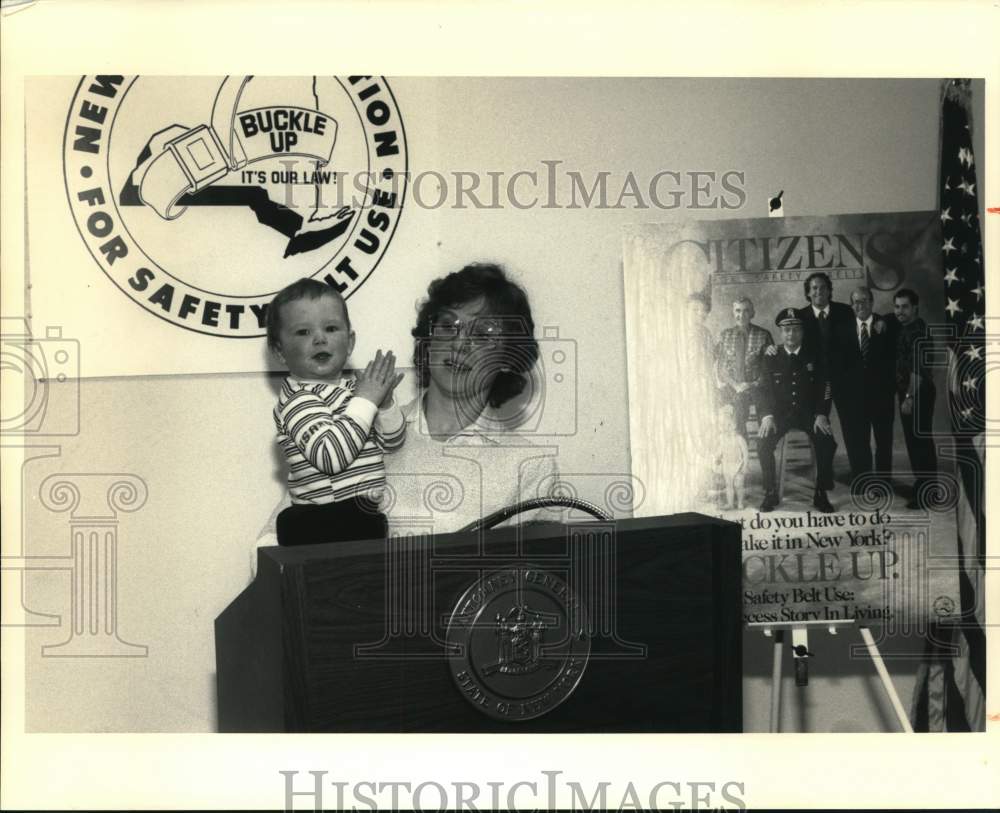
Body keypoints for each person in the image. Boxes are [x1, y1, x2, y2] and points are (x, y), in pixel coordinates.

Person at [252, 264, 561, 575]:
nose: (460, 343)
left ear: (510, 356)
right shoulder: (361, 425)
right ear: (428, 338)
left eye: (483, 334)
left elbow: (540, 581)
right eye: (448, 326)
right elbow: (266, 550)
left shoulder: (531, 465)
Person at [266, 278, 405, 546]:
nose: (320, 339)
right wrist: (366, 400)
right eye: (303, 332)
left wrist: (385, 404)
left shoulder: (357, 390)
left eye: (331, 328)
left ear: (350, 342)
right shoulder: (298, 400)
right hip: (322, 526)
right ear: (280, 352)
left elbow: (394, 442)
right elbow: (331, 456)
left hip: (362, 519)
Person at [757, 308, 837, 513]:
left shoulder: (814, 355)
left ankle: (821, 492)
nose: (790, 334)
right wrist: (766, 415)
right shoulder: (771, 356)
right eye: (786, 331)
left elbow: (824, 386)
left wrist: (821, 413)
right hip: (780, 415)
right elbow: (763, 389)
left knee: (827, 442)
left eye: (795, 330)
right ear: (781, 333)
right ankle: (770, 491)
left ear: (802, 332)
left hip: (808, 414)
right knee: (763, 442)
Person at [841, 286, 897, 487]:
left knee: (883, 442)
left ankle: (883, 483)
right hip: (855, 398)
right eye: (856, 302)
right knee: (859, 442)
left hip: (882, 397)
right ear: (851, 305)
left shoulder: (886, 324)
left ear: (872, 303)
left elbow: (897, 319)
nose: (860, 305)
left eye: (864, 301)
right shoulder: (844, 329)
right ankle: (862, 481)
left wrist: (885, 320)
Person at [894, 288, 938, 509]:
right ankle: (925, 486)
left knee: (920, 442)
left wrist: (909, 397)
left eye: (905, 307)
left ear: (915, 308)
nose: (900, 311)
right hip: (911, 391)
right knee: (916, 442)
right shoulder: (906, 328)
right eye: (897, 306)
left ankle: (928, 492)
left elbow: (918, 369)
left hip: (918, 391)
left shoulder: (917, 331)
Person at [715, 296, 773, 436]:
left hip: (755, 388)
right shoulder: (725, 335)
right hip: (732, 388)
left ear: (752, 313)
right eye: (738, 311)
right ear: (733, 312)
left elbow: (767, 370)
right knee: (714, 405)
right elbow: (721, 368)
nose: (741, 315)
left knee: (743, 406)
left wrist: (750, 385)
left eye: (746, 311)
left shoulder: (763, 335)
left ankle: (751, 448)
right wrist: (735, 385)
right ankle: (733, 449)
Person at [713, 404, 750, 510]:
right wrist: (717, 457)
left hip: (738, 465)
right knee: (729, 486)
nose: (726, 428)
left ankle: (740, 503)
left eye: (729, 425)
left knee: (738, 485)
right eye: (723, 426)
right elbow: (720, 450)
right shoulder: (722, 438)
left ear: (734, 426)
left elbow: (745, 453)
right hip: (727, 465)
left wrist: (745, 466)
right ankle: (730, 503)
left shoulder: (739, 439)